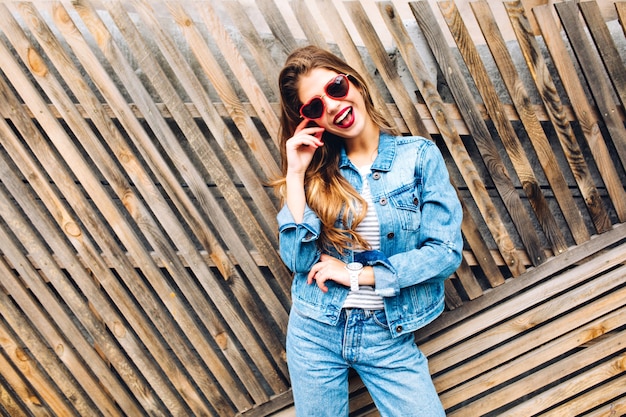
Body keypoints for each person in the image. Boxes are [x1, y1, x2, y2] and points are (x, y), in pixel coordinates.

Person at [273, 45, 463, 417]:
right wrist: (295, 173)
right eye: (314, 107)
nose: (331, 105)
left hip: (385, 333)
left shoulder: (419, 157)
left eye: (336, 88)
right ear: (310, 121)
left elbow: (444, 252)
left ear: (355, 83)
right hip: (315, 329)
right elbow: (298, 259)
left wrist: (357, 273)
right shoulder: (316, 172)